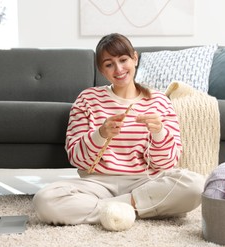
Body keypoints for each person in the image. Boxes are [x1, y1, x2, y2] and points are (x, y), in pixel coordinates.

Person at [33, 33, 205, 229]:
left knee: (195, 185)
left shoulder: (159, 101)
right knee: (45, 200)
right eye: (109, 64)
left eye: (123, 60)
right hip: (97, 184)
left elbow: (167, 162)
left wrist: (159, 133)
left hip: (145, 181)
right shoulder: (87, 99)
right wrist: (101, 134)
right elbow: (76, 158)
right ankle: (141, 207)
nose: (119, 69)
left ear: (135, 58)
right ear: (101, 70)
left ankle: (112, 210)